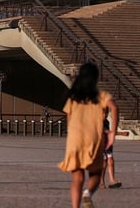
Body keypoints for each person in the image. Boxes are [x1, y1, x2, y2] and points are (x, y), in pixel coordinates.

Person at [57, 62, 118, 208]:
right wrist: (113, 133)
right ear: (96, 78)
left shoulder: (73, 97)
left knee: (77, 178)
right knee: (96, 174)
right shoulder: (101, 96)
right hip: (93, 138)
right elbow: (114, 108)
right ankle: (87, 194)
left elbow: (69, 120)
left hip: (75, 139)